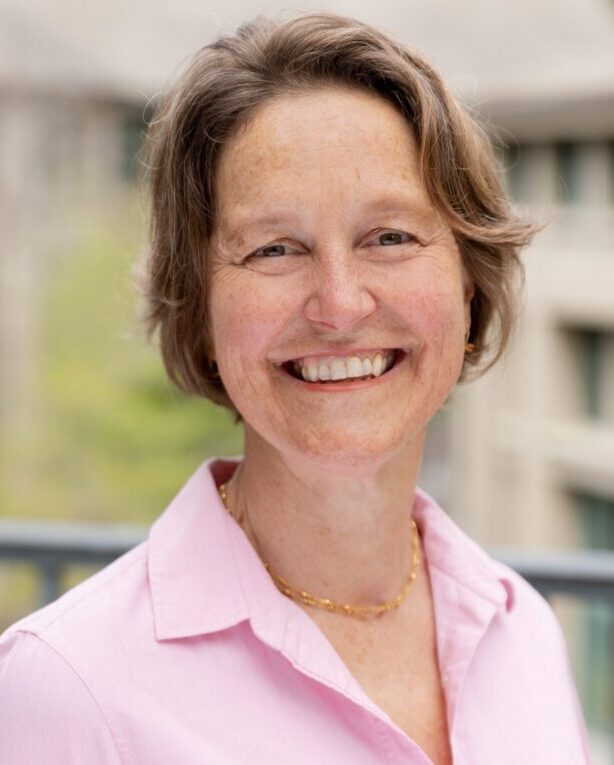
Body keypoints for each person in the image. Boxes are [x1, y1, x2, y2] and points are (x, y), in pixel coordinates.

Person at [0, 12, 590, 765]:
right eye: (274, 248)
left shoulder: (524, 631)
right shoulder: (69, 688)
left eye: (390, 237)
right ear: (201, 312)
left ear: (469, 285)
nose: (340, 304)